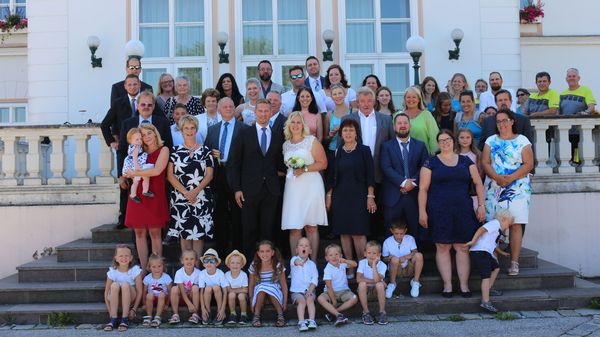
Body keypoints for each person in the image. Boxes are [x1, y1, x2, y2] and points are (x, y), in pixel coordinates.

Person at [418, 130, 486, 298]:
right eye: (441, 140)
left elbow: (478, 183)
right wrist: (422, 212)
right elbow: (423, 189)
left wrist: (481, 205)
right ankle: (447, 286)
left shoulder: (465, 161)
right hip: (439, 210)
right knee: (442, 247)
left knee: (462, 247)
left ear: (453, 141)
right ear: (438, 143)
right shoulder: (430, 162)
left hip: (463, 210)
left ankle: (464, 286)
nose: (445, 143)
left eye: (447, 139)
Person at [227, 99, 286, 261]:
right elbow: (233, 163)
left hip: (271, 191)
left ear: (271, 112)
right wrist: (237, 189)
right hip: (248, 190)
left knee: (268, 231)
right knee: (249, 230)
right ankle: (249, 268)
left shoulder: (277, 135)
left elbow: (281, 163)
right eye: (260, 111)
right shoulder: (244, 133)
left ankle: (266, 267)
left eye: (266, 111)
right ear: (255, 112)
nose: (263, 114)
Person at [482, 109, 534, 276]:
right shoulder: (491, 140)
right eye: (498, 121)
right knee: (493, 224)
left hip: (518, 188)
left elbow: (528, 164)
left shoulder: (522, 140)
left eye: (504, 120)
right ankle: (493, 261)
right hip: (495, 186)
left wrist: (510, 178)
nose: (501, 124)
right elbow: (485, 162)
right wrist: (497, 177)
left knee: (516, 224)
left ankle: (514, 262)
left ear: (512, 121)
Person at [326, 118, 375, 278]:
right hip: (341, 196)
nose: (348, 133)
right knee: (344, 232)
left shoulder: (364, 150)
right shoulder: (338, 151)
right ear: (341, 133)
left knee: (358, 233)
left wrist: (370, 196)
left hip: (359, 196)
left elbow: (370, 175)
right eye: (345, 130)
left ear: (356, 133)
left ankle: (363, 267)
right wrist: (329, 195)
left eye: (351, 130)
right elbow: (333, 176)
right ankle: (350, 267)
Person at [118, 91, 172, 230]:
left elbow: (169, 146)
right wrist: (121, 175)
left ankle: (157, 251)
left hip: (157, 179)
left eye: (150, 104)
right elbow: (123, 150)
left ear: (154, 106)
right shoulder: (127, 123)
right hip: (135, 177)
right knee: (138, 226)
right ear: (137, 105)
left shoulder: (163, 122)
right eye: (143, 104)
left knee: (156, 226)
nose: (146, 107)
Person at [121, 123, 170, 271]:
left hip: (154, 194)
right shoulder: (136, 151)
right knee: (139, 232)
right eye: (142, 135)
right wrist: (125, 174)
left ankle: (157, 270)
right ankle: (143, 269)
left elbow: (156, 171)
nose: (146, 137)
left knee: (155, 232)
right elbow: (127, 167)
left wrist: (134, 174)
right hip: (137, 195)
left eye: (149, 133)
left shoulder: (164, 150)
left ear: (155, 133)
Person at [281, 111, 328, 261]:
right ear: (288, 125)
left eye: (298, 122)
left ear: (303, 125)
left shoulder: (311, 141)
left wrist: (304, 169)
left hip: (311, 186)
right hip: (293, 188)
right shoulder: (286, 145)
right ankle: (296, 263)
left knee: (311, 226)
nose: (295, 125)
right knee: (294, 227)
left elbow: (323, 163)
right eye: (292, 122)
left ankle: (312, 263)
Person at [166, 115, 214, 259]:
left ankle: (197, 270)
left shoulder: (206, 151)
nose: (189, 130)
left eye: (192, 128)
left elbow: (209, 175)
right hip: (181, 198)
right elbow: (170, 176)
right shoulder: (174, 151)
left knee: (198, 234)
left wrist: (195, 192)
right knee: (184, 233)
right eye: (186, 128)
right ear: (181, 130)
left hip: (201, 197)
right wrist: (186, 193)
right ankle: (186, 272)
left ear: (196, 129)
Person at [205, 97, 248, 255]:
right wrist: (211, 152)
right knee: (219, 212)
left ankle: (238, 249)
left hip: (237, 175)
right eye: (225, 106)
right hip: (218, 174)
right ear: (219, 109)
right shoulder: (213, 129)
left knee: (238, 213)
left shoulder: (244, 129)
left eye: (231, 106)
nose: (229, 109)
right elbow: (206, 151)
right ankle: (221, 250)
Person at [380, 113, 428, 241]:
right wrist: (403, 182)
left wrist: (412, 183)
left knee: (415, 231)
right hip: (393, 195)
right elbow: (386, 168)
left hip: (414, 195)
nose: (402, 126)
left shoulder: (420, 145)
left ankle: (415, 258)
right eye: (399, 123)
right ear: (394, 127)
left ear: (410, 126)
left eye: (405, 123)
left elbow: (424, 167)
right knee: (390, 231)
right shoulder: (386, 146)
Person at [341, 86, 394, 184]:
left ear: (374, 102)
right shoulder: (347, 119)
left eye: (369, 101)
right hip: (354, 170)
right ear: (357, 103)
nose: (366, 104)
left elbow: (392, 144)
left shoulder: (386, 120)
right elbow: (340, 146)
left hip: (379, 170)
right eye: (362, 101)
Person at [465, 209, 514, 313]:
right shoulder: (495, 224)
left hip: (485, 252)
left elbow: (493, 244)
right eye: (508, 224)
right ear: (502, 219)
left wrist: (501, 252)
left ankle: (489, 288)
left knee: (496, 268)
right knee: (486, 276)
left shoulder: (497, 230)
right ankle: (485, 301)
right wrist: (473, 241)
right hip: (480, 251)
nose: (508, 227)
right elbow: (481, 229)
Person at [559, 68, 597, 164]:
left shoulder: (586, 90)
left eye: (574, 76)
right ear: (566, 79)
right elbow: (558, 111)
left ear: (578, 78)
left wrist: (586, 112)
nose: (571, 78)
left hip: (580, 130)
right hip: (565, 130)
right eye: (569, 76)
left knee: (579, 156)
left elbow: (591, 106)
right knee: (567, 157)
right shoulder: (562, 93)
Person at [248, 240, 288, 328]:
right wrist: (251, 302)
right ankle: (256, 315)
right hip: (260, 293)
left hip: (275, 292)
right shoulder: (254, 265)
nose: (264, 254)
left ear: (273, 252)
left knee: (269, 288)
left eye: (267, 251)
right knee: (262, 288)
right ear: (258, 253)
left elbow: (284, 285)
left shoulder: (278, 265)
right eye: (262, 251)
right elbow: (251, 285)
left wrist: (284, 302)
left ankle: (280, 314)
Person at [103, 245, 143, 332]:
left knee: (125, 284)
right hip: (115, 298)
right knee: (114, 285)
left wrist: (134, 309)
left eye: (126, 256)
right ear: (116, 258)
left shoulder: (135, 270)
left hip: (130, 297)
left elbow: (140, 292)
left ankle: (125, 319)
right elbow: (106, 293)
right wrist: (109, 310)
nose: (124, 258)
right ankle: (113, 318)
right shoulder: (112, 271)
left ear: (131, 258)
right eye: (121, 256)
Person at [102, 74, 146, 151]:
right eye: (129, 85)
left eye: (135, 84)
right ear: (125, 86)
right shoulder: (118, 103)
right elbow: (104, 124)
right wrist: (111, 141)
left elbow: (160, 119)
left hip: (145, 144)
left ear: (139, 85)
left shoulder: (147, 101)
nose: (132, 87)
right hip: (124, 146)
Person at [317, 244, 358, 326]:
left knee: (354, 298)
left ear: (340, 255)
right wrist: (334, 300)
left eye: (336, 254)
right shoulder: (328, 269)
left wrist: (345, 261)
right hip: (330, 292)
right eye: (331, 255)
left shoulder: (342, 264)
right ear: (326, 258)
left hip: (344, 291)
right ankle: (338, 315)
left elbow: (355, 264)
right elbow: (329, 286)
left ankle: (334, 313)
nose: (334, 257)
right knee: (320, 298)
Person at [382, 218, 424, 299]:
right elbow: (384, 258)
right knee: (394, 259)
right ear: (391, 231)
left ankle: (415, 281)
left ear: (405, 231)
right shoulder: (387, 242)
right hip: (396, 269)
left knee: (419, 255)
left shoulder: (410, 238)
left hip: (409, 268)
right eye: (396, 233)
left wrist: (405, 257)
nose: (399, 236)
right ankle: (392, 283)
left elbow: (415, 251)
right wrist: (390, 258)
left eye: (401, 233)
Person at [289, 237, 319, 331]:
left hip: (309, 289)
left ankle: (311, 320)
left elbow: (314, 279)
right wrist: (299, 262)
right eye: (301, 245)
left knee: (310, 299)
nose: (303, 247)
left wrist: (310, 290)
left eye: (306, 246)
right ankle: (301, 322)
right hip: (296, 291)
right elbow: (295, 262)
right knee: (302, 301)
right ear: (297, 250)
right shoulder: (294, 259)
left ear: (310, 251)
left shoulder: (312, 265)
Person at [401, 86, 440, 154]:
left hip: (422, 156)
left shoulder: (427, 115)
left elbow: (434, 136)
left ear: (419, 99)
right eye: (408, 97)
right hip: (402, 156)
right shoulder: (398, 115)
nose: (411, 100)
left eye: (414, 97)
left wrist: (433, 155)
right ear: (404, 99)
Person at [356, 241, 388, 325]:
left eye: (374, 253)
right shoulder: (362, 263)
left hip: (377, 292)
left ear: (379, 255)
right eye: (369, 253)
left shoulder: (383, 265)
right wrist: (374, 281)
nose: (371, 255)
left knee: (380, 285)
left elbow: (377, 280)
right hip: (365, 292)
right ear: (365, 253)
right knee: (362, 284)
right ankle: (366, 312)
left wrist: (374, 264)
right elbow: (358, 279)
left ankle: (382, 312)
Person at [169, 250, 201, 325]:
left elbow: (199, 291)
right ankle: (175, 315)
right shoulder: (179, 273)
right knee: (174, 289)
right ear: (182, 261)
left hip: (192, 297)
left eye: (192, 259)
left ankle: (195, 314)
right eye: (186, 259)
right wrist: (189, 304)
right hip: (181, 297)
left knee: (195, 288)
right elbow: (181, 290)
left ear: (196, 260)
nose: (189, 261)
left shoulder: (198, 273)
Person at [122, 128, 154, 203]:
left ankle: (133, 194)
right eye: (137, 139)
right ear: (130, 140)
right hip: (137, 166)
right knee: (146, 176)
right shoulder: (136, 147)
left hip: (132, 166)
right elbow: (135, 157)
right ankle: (145, 190)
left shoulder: (131, 146)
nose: (139, 141)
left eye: (140, 139)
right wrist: (137, 167)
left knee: (135, 181)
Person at [142, 253, 172, 328]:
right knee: (149, 294)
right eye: (154, 267)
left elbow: (170, 292)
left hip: (163, 299)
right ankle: (149, 316)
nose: (157, 269)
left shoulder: (166, 277)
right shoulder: (147, 278)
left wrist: (167, 304)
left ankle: (157, 317)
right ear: (150, 267)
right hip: (151, 299)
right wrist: (144, 303)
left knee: (161, 294)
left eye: (159, 266)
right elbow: (144, 291)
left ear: (163, 266)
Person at [198, 249, 228, 325]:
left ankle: (219, 312)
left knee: (216, 287)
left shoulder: (220, 273)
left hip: (218, 297)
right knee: (207, 288)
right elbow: (201, 292)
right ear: (203, 264)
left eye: (212, 261)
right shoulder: (202, 274)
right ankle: (208, 312)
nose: (209, 263)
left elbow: (225, 292)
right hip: (207, 297)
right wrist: (203, 309)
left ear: (216, 264)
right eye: (206, 261)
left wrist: (222, 309)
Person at [457, 128, 483, 210]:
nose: (465, 140)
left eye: (468, 137)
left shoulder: (477, 155)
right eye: (462, 137)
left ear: (472, 139)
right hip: (458, 188)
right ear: (457, 139)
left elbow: (480, 173)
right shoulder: (454, 154)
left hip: (473, 190)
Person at [324, 84, 351, 156]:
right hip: (333, 151)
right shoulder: (329, 115)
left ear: (344, 94)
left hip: (350, 150)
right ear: (331, 97)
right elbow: (325, 138)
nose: (338, 96)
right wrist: (330, 135)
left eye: (340, 93)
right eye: (335, 94)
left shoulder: (353, 112)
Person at [224, 250, 249, 325]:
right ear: (228, 265)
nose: (235, 265)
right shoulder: (226, 275)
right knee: (231, 295)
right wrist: (240, 290)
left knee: (241, 295)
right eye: (232, 263)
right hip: (232, 296)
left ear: (242, 265)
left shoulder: (243, 275)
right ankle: (233, 314)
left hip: (243, 297)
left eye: (238, 263)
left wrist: (233, 290)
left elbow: (246, 290)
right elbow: (228, 290)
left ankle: (244, 314)